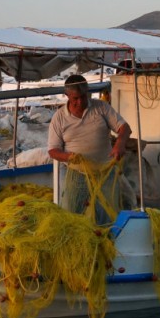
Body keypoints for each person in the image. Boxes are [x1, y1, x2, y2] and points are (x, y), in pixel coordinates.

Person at [48, 74, 131, 222]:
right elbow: (53, 151)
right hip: (75, 173)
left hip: (104, 171)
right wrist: (69, 157)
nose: (80, 102)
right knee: (72, 212)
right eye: (75, 98)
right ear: (66, 95)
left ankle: (108, 239)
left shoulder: (101, 107)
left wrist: (119, 144)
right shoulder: (59, 117)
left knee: (109, 211)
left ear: (88, 92)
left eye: (83, 96)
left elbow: (124, 128)